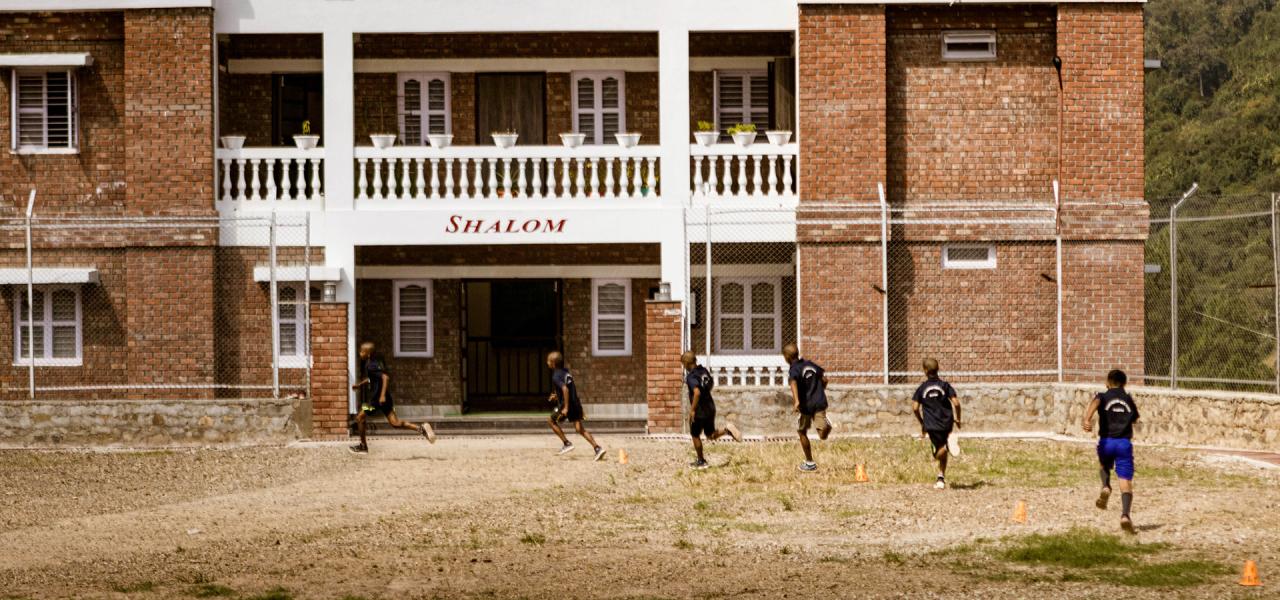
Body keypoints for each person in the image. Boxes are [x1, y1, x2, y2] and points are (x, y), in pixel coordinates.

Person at [348, 341, 435, 454]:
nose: (360, 353)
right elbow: (372, 379)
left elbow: (385, 378)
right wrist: (360, 385)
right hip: (385, 399)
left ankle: (363, 446)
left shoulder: (370, 365)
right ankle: (421, 429)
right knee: (395, 423)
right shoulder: (373, 363)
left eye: (362, 351)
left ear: (368, 353)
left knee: (359, 418)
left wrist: (382, 395)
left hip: (378, 400)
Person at [1083, 369, 1139, 534]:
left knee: (1104, 465)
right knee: (1125, 481)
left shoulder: (1103, 395)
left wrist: (1087, 419)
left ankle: (1106, 486)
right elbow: (1135, 418)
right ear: (1125, 383)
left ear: (1107, 383)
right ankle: (1125, 516)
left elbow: (1096, 401)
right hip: (1124, 444)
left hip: (1107, 441)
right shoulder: (1128, 399)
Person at [681, 351, 742, 469]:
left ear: (687, 364)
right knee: (710, 434)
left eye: (684, 365)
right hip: (710, 407)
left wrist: (692, 410)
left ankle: (701, 461)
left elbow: (697, 393)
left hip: (699, 410)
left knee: (694, 434)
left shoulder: (691, 377)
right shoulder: (704, 371)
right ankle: (727, 430)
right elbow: (710, 384)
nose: (684, 367)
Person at [545, 351, 606, 461]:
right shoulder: (565, 372)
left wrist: (566, 407)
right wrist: (556, 395)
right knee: (579, 429)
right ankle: (597, 448)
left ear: (553, 363)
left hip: (567, 406)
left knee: (551, 420)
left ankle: (566, 443)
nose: (547, 363)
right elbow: (565, 387)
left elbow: (565, 389)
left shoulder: (555, 376)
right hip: (576, 403)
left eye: (548, 361)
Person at [912, 358, 962, 490]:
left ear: (925, 371)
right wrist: (958, 419)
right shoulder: (945, 385)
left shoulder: (922, 388)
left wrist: (922, 422)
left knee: (938, 453)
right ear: (938, 369)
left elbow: (915, 407)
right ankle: (941, 478)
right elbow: (956, 403)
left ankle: (946, 447)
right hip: (947, 423)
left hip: (932, 425)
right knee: (943, 452)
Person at [784, 343, 831, 472]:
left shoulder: (794, 369)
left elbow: (793, 383)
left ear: (787, 357)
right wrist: (819, 391)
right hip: (819, 402)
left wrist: (797, 401)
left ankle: (810, 462)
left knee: (801, 431)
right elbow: (825, 380)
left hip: (805, 406)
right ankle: (826, 425)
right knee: (822, 435)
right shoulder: (810, 364)